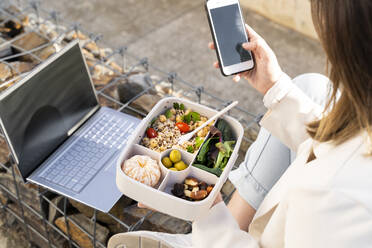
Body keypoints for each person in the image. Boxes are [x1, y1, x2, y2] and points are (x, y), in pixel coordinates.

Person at [109, 1, 372, 247]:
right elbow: (344, 144)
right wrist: (274, 86)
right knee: (311, 86)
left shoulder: (334, 198)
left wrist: (205, 212)